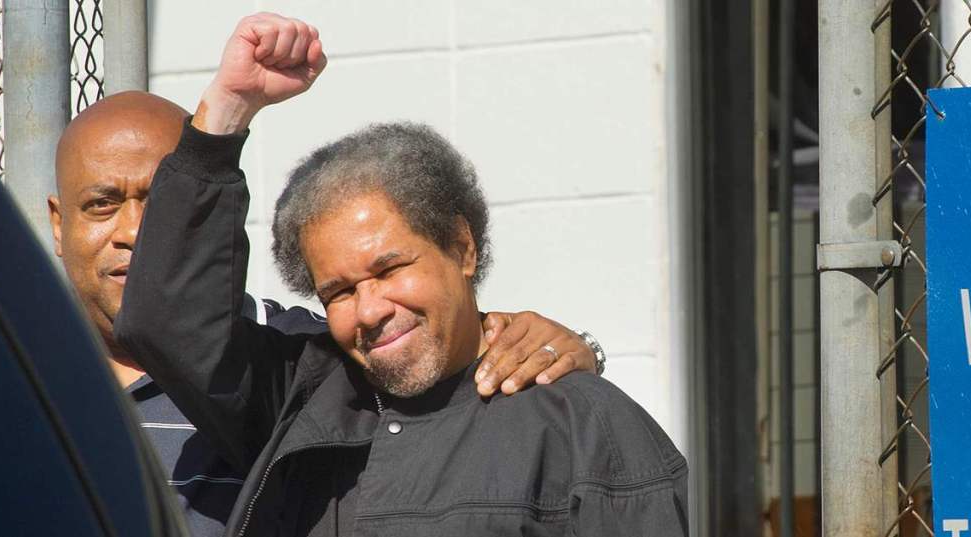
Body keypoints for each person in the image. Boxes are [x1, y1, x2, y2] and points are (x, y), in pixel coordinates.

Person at [116, 12, 686, 537]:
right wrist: (226, 111)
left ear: (462, 247)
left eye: (389, 269)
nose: (370, 310)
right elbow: (166, 321)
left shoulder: (582, 427)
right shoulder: (303, 400)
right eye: (339, 291)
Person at [49, 87, 600, 535]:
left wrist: (552, 351)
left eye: (162, 202)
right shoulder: (18, 373)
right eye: (103, 204)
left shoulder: (304, 376)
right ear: (57, 221)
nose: (135, 231)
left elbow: (433, 354)